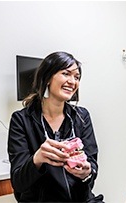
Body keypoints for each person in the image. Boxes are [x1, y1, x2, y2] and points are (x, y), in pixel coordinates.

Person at [8, 51, 104, 202]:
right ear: (47, 78)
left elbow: (92, 169)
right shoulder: (21, 120)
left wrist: (87, 172)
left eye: (77, 77)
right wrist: (37, 159)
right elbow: (18, 183)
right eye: (66, 73)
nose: (73, 82)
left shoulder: (82, 117)